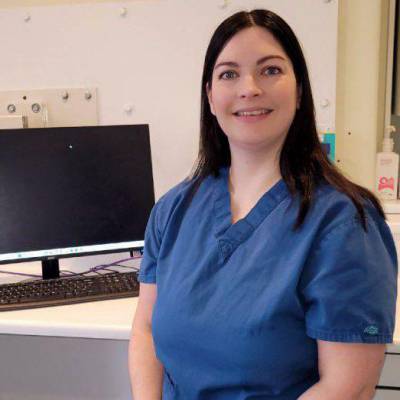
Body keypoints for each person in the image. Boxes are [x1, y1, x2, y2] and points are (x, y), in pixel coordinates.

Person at [129, 9, 398, 400]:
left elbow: (347, 387)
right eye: (229, 74)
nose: (249, 88)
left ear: (299, 88)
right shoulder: (173, 211)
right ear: (209, 94)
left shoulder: (343, 223)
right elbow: (146, 330)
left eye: (270, 70)